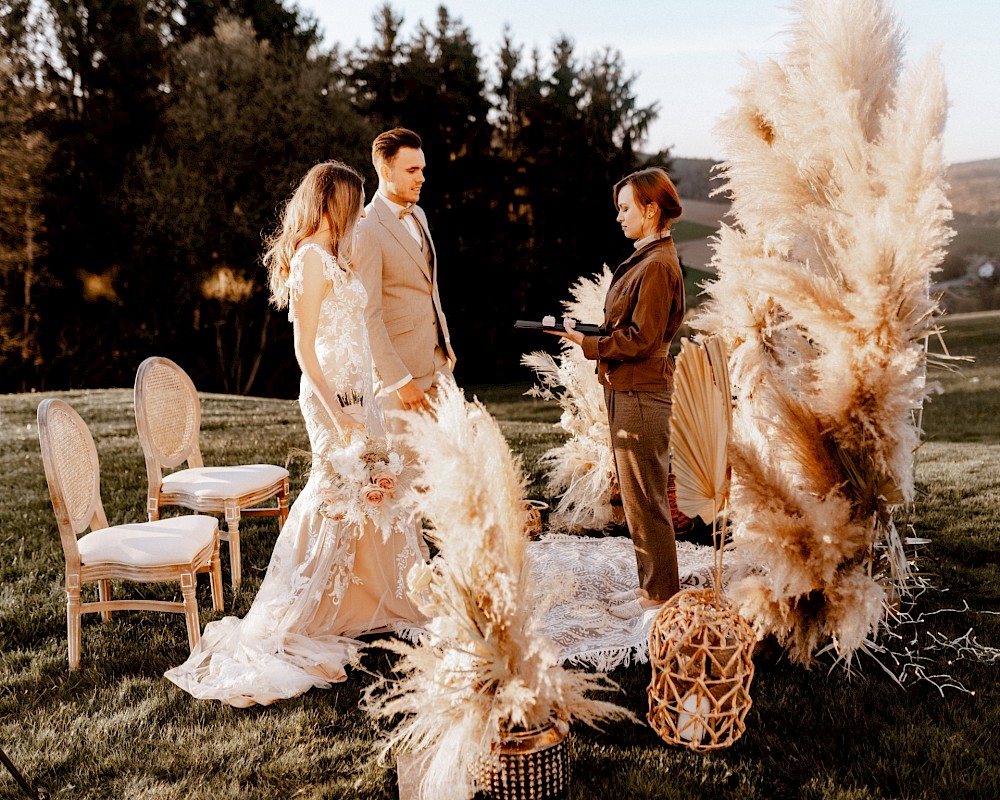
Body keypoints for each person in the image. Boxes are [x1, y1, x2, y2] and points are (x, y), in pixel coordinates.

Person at [164, 161, 424, 707]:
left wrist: (367, 399)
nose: (357, 212)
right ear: (330, 202)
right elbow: (307, 351)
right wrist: (338, 414)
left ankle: (385, 598)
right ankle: (298, 607)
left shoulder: (336, 254)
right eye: (351, 202)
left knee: (378, 490)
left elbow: (355, 330)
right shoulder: (309, 257)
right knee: (335, 492)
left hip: (362, 393)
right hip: (331, 397)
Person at [549, 166, 686, 619]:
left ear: (651, 209)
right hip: (628, 390)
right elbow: (629, 329)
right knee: (636, 496)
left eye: (626, 208)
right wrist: (589, 333)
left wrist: (589, 343)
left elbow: (641, 340)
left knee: (646, 498)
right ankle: (653, 586)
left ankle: (661, 595)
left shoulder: (660, 265)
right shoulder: (648, 258)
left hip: (643, 396)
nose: (619, 217)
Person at [356, 127, 456, 417]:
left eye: (422, 169)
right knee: (407, 463)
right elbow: (368, 314)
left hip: (439, 364)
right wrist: (400, 381)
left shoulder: (419, 214)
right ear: (386, 172)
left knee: (454, 459)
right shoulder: (367, 228)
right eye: (412, 170)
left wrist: (445, 343)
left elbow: (427, 287)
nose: (422, 177)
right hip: (401, 376)